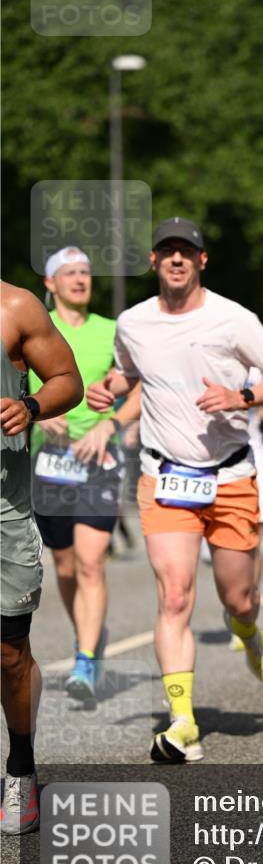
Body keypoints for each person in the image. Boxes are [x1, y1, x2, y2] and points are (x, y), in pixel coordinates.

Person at [87, 217, 263, 764]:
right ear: (153, 262)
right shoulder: (133, 322)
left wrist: (242, 396)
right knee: (174, 595)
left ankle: (247, 630)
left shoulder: (233, 319)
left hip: (230, 475)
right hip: (165, 475)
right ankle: (182, 722)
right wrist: (110, 388)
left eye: (186, 251)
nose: (176, 259)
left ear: (201, 261)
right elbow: (128, 372)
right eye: (166, 251)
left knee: (237, 597)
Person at [28, 247, 140, 701]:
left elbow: (139, 389)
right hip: (47, 463)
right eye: (69, 273)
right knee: (66, 564)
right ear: (50, 284)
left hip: (99, 462)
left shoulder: (114, 332)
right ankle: (88, 637)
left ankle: (86, 659)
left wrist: (112, 424)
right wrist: (36, 414)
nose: (80, 280)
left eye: (86, 273)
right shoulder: (34, 329)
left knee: (92, 560)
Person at [1, 282, 83, 834]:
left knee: (9, 653)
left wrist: (29, 406)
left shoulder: (15, 306)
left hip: (3, 509)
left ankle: (21, 769)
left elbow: (68, 381)